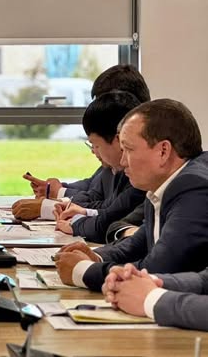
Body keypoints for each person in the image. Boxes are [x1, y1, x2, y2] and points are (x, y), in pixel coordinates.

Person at [54, 99, 208, 291]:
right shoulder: (166, 183)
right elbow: (138, 244)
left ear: (163, 151)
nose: (122, 161)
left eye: (129, 149)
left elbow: (158, 269)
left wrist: (83, 271)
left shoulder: (194, 187)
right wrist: (97, 256)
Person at [14, 64, 149, 220]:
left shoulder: (139, 166)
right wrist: (57, 192)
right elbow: (94, 191)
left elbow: (109, 213)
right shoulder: (116, 162)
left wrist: (51, 205)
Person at [52, 91, 145, 242]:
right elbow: (108, 208)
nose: (124, 160)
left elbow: (107, 223)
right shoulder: (117, 170)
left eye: (95, 145)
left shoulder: (140, 175)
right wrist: (84, 212)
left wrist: (76, 224)